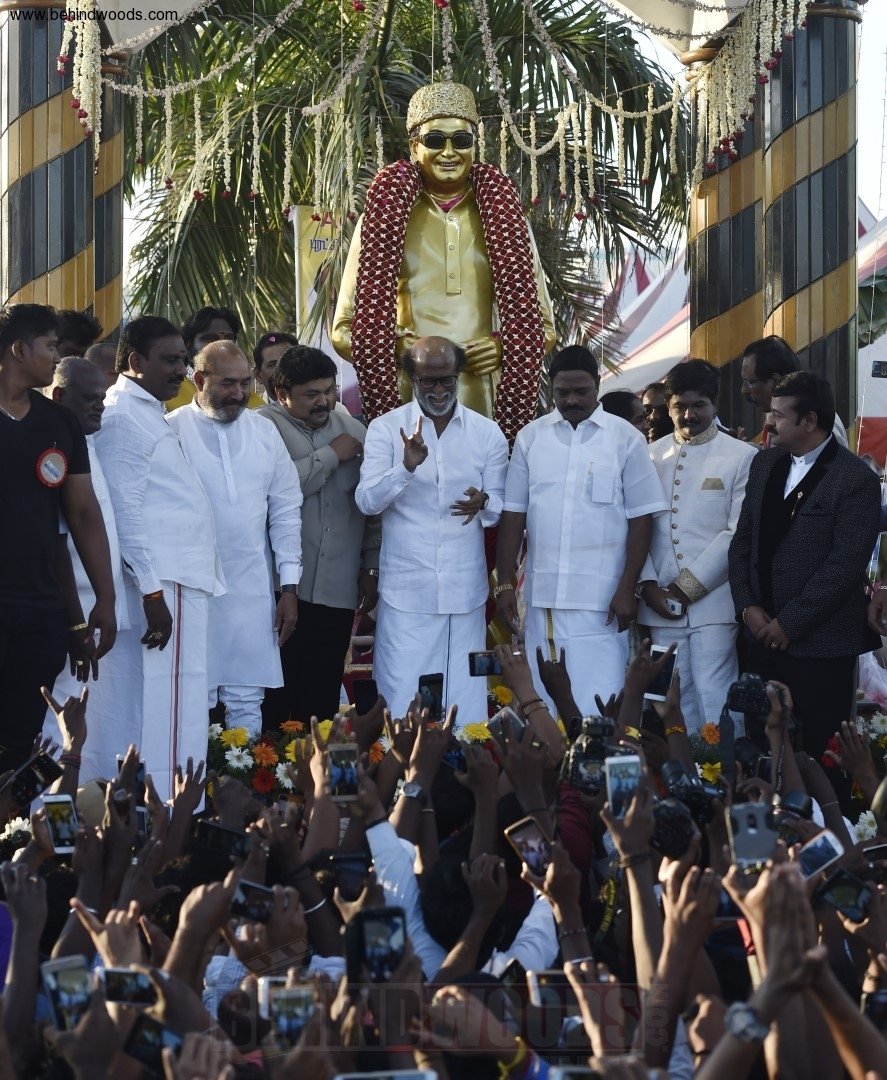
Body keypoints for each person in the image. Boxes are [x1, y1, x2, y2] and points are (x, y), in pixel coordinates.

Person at [331, 81, 556, 443]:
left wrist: (503, 348)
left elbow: (543, 329)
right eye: (435, 141)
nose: (449, 152)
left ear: (474, 146)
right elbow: (344, 331)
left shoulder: (506, 219)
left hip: (486, 405)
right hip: (406, 401)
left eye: (461, 140)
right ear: (414, 147)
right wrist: (400, 349)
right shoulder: (382, 219)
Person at [94, 315, 226, 801]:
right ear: (135, 361)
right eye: (170, 360)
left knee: (181, 703)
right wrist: (151, 593)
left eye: (183, 360)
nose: (181, 371)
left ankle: (172, 813)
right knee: (167, 706)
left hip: (177, 580)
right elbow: (124, 515)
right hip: (162, 584)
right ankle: (170, 814)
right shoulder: (122, 417)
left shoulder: (145, 410)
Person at [496, 345, 667, 714]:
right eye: (563, 392)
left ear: (597, 385)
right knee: (543, 704)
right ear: (551, 388)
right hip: (545, 600)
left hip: (603, 601)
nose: (571, 400)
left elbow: (642, 518)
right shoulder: (531, 438)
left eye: (581, 391)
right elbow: (513, 514)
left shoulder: (625, 438)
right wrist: (505, 582)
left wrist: (627, 587)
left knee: (601, 702)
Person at [728, 370, 880, 762]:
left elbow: (844, 566)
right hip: (761, 638)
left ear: (809, 421)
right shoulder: (765, 464)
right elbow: (742, 541)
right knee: (760, 751)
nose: (768, 422)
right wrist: (747, 607)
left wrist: (789, 623)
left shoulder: (855, 478)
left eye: (779, 415)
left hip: (822, 646)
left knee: (821, 754)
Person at [355, 336, 507, 722]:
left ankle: (466, 760)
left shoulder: (487, 433)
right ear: (412, 378)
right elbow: (367, 501)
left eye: (447, 379)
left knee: (464, 698)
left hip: (464, 591)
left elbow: (501, 510)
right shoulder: (385, 429)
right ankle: (400, 761)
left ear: (458, 376)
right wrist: (405, 468)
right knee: (401, 694)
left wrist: (485, 502)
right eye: (428, 380)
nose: (438, 389)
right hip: (406, 591)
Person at [0, 304, 116, 772]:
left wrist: (105, 598)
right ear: (19, 349)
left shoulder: (59, 423)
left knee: (19, 741)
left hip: (40, 607)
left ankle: (12, 818)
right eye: (50, 346)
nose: (56, 356)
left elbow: (83, 514)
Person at [167, 341, 303, 736]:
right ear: (199, 380)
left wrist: (288, 588)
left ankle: (245, 771)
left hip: (251, 587)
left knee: (247, 698)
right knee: (193, 696)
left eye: (245, 383)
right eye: (228, 384)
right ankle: (195, 774)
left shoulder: (263, 431)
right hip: (191, 588)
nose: (240, 394)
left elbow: (286, 511)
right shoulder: (171, 431)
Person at [259, 346, 380, 725]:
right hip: (277, 591)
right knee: (273, 700)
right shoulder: (260, 429)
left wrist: (371, 568)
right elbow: (271, 491)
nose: (324, 401)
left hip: (336, 591)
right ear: (282, 394)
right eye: (311, 394)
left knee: (322, 700)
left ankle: (318, 764)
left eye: (329, 390)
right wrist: (329, 455)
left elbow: (373, 509)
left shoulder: (356, 432)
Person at [637, 360, 756, 731]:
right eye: (679, 406)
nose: (689, 415)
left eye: (699, 405)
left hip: (713, 602)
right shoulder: (648, 456)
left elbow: (737, 532)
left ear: (715, 403)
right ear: (668, 406)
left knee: (714, 693)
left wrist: (685, 589)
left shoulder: (741, 456)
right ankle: (677, 764)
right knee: (668, 696)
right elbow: (635, 526)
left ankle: (721, 764)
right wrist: (649, 586)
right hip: (658, 602)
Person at [42, 357, 130, 779]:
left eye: (103, 397)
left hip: (93, 617)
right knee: (54, 722)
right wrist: (76, 624)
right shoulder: (51, 449)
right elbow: (56, 545)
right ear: (60, 396)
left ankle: (78, 808)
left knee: (84, 726)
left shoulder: (88, 442)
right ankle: (42, 816)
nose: (100, 406)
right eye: (90, 398)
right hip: (66, 617)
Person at [741, 335, 848, 447]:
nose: (744, 390)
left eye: (750, 382)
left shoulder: (821, 423)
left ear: (775, 380)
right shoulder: (782, 413)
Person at [167, 306, 264, 413]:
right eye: (211, 339)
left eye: (228, 339)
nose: (222, 347)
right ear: (188, 345)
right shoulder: (168, 395)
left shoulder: (255, 406)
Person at [253, 331, 298, 401]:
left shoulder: (315, 405)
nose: (282, 370)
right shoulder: (253, 408)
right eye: (273, 365)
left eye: (288, 361)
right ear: (258, 375)